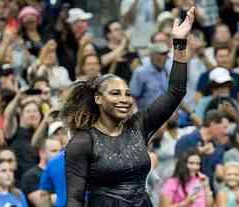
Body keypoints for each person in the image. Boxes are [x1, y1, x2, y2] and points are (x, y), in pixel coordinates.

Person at [63, 7, 194, 206]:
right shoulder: (82, 142)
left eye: (127, 94)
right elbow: (74, 199)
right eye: (115, 93)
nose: (124, 99)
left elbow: (176, 91)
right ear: (98, 99)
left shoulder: (138, 126)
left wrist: (179, 43)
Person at [21, 138, 62, 207]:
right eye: (54, 151)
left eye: (60, 151)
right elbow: (42, 203)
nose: (59, 154)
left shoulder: (63, 173)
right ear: (42, 153)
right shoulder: (31, 176)